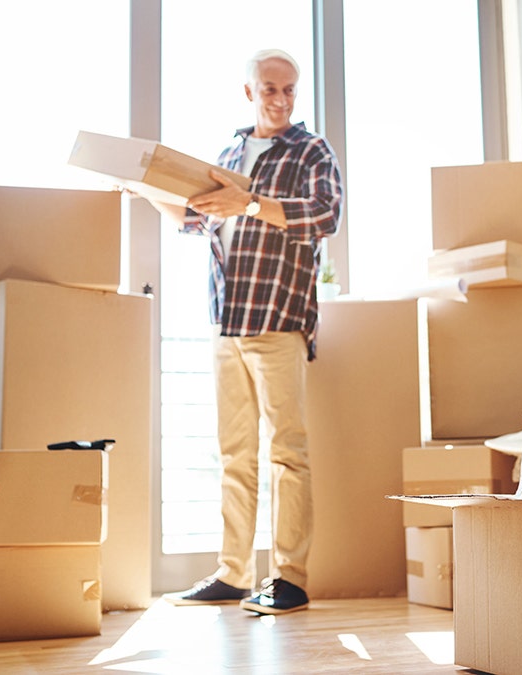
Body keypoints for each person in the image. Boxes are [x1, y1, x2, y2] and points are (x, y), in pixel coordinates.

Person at [158, 48, 343, 615]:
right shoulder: (230, 153)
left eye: (289, 90)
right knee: (234, 454)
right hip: (228, 321)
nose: (282, 100)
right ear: (249, 92)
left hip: (278, 319)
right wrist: (145, 189)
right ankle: (233, 573)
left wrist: (253, 202)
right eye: (270, 89)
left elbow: (325, 213)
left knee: (287, 451)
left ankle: (289, 577)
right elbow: (195, 219)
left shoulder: (311, 150)